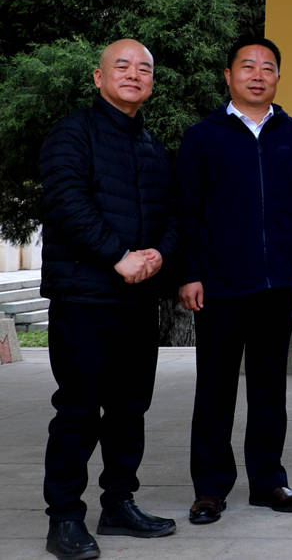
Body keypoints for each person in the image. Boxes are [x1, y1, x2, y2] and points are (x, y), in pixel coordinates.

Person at [176, 34, 292, 525]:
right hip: (218, 285)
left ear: (278, 77)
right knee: (215, 389)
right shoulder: (203, 137)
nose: (257, 75)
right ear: (228, 76)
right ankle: (210, 489)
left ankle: (268, 482)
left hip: (277, 285)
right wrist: (190, 273)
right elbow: (187, 213)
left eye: (267, 67)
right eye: (247, 66)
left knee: (269, 389)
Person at [39, 39, 178, 560]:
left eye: (144, 68)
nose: (134, 75)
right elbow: (67, 202)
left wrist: (159, 256)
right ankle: (64, 519)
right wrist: (119, 256)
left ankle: (119, 503)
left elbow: (173, 214)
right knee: (77, 409)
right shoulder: (72, 133)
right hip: (83, 297)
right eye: (122, 66)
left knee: (129, 409)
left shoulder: (152, 145)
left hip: (137, 302)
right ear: (99, 78)